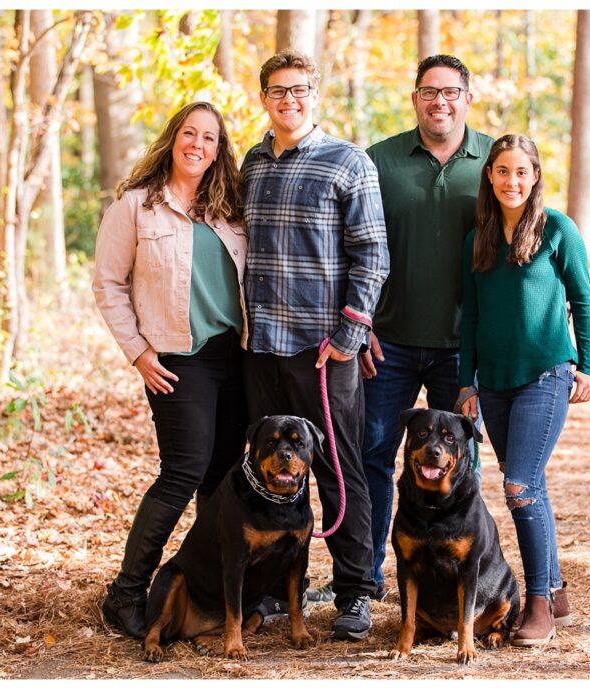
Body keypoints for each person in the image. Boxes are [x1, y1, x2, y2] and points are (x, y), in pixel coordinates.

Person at [241, 50, 389, 641]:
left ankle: (355, 592)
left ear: (315, 95)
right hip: (261, 347)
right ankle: (280, 590)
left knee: (337, 470)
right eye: (278, 91)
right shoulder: (251, 163)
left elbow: (372, 256)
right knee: (270, 472)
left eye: (299, 89)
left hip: (322, 351)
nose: (289, 100)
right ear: (264, 99)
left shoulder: (347, 162)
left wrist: (351, 335)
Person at [92, 102, 249, 638]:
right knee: (183, 471)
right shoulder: (135, 207)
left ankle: (205, 591)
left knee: (224, 478)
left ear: (218, 149)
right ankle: (126, 593)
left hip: (236, 355)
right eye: (190, 133)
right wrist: (137, 351)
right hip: (177, 360)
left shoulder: (228, 207)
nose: (198, 144)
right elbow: (108, 285)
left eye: (209, 137)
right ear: (173, 138)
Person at [353, 54, 493, 599]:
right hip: (387, 342)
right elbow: (355, 248)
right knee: (372, 456)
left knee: (462, 464)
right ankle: (363, 582)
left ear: (467, 97)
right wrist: (359, 324)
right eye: (429, 92)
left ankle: (459, 584)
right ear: (415, 98)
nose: (440, 101)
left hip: (461, 349)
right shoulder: (378, 160)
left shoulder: (494, 162)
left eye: (451, 92)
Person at [458, 134, 590, 647]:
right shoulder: (477, 238)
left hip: (546, 374)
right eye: (502, 171)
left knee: (518, 486)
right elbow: (469, 315)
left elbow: (583, 302)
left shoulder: (557, 230)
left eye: (521, 171)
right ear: (489, 176)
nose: (511, 181)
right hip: (492, 383)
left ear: (535, 176)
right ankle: (556, 589)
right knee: (530, 484)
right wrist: (464, 382)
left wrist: (588, 366)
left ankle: (538, 603)